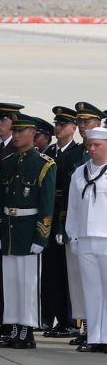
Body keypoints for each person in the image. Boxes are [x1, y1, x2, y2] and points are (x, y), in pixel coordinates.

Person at [0, 114, 55, 350]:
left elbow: (46, 204)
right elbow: (1, 201)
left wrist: (42, 235)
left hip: (29, 231)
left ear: (33, 134)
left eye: (21, 131)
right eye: (15, 131)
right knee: (11, 283)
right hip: (10, 230)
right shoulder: (8, 162)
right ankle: (15, 329)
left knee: (28, 284)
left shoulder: (44, 164)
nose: (16, 135)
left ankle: (27, 332)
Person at [64, 126, 107, 353]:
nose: (91, 149)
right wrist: (73, 236)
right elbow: (72, 207)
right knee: (91, 289)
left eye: (97, 145)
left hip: (106, 237)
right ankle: (95, 337)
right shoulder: (79, 172)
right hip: (85, 238)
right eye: (89, 145)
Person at [0, 102, 24, 341]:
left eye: (4, 119)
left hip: (14, 222)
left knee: (12, 276)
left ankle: (13, 322)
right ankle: (0, 319)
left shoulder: (19, 150)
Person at [42, 107, 81, 338]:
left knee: (69, 274)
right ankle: (58, 318)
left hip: (65, 218)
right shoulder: (49, 152)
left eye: (63, 124)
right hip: (49, 219)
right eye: (57, 123)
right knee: (52, 273)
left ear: (73, 129)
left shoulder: (78, 154)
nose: (58, 128)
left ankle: (70, 320)